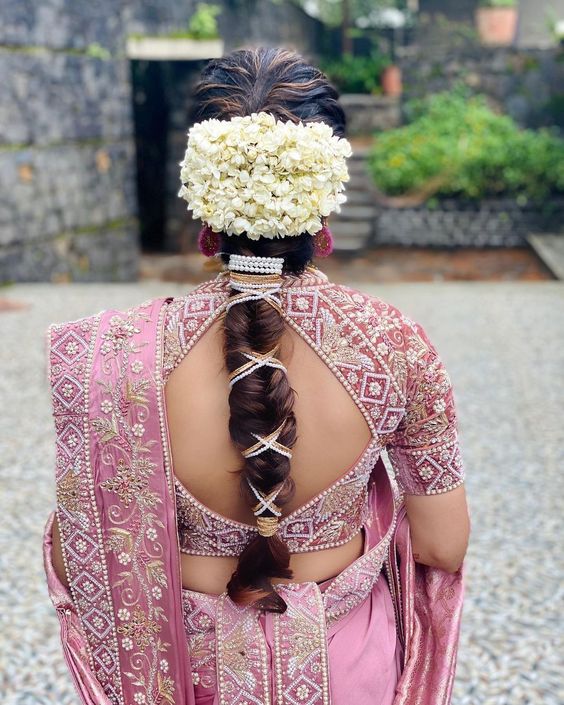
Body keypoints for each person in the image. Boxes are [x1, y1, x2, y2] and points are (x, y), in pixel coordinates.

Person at [43, 46, 470, 705]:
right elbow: (443, 544)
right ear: (323, 210)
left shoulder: (118, 354)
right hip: (347, 673)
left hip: (181, 676)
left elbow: (82, 558)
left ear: (204, 213)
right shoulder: (396, 345)